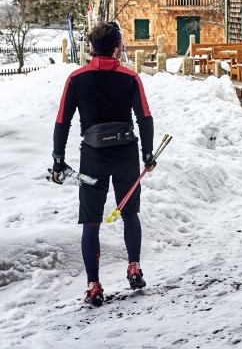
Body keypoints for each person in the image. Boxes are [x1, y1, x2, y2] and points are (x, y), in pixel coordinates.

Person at [51, 21, 156, 306]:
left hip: (93, 156)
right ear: (117, 46)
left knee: (92, 222)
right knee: (129, 213)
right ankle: (133, 267)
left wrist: (58, 159)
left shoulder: (77, 79)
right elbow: (144, 117)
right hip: (125, 155)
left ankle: (94, 285)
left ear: (93, 49)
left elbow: (62, 121)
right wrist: (148, 154)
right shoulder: (130, 78)